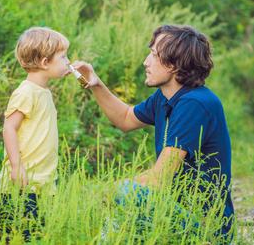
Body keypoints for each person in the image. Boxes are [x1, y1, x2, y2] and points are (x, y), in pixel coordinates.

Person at [71, 24, 234, 239]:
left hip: (208, 230)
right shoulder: (165, 97)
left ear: (175, 65)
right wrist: (96, 84)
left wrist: (109, 190)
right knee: (122, 199)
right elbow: (125, 118)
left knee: (126, 192)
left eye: (154, 55)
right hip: (173, 214)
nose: (146, 62)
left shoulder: (195, 103)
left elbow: (160, 178)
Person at [0, 27, 71, 241]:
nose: (68, 62)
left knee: (36, 236)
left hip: (42, 185)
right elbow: (9, 128)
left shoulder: (44, 91)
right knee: (17, 237)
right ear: (45, 62)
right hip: (22, 183)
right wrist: (16, 165)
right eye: (64, 57)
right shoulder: (26, 92)